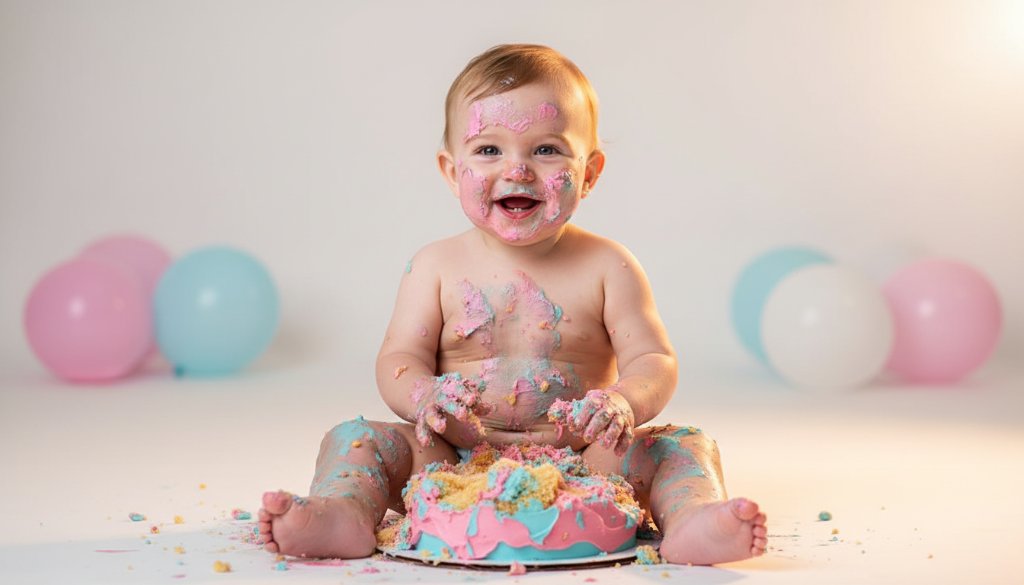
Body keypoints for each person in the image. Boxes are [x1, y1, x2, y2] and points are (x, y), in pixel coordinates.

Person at [257, 43, 767, 565]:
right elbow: (399, 358)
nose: (517, 169)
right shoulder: (434, 266)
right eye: (488, 150)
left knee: (683, 445)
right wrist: (422, 394)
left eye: (546, 150)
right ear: (451, 171)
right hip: (447, 460)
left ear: (589, 173)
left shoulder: (609, 266)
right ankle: (342, 514)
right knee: (355, 438)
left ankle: (692, 518)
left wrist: (623, 402)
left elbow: (653, 360)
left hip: (590, 461)